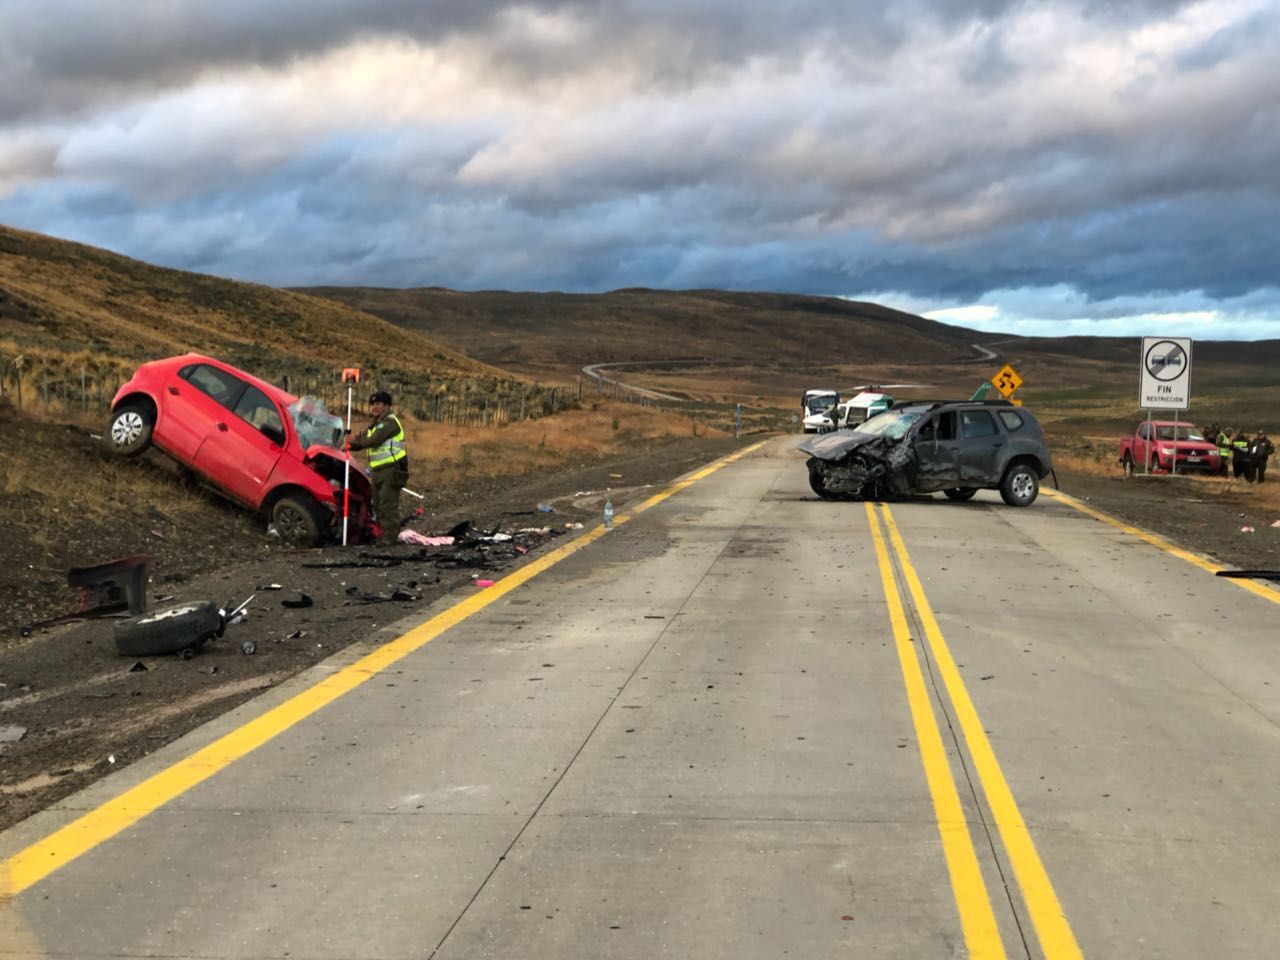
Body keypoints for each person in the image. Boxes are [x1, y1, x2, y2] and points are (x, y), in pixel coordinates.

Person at [346, 390, 409, 542]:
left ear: (387, 406)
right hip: (377, 471)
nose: (374, 407)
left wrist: (353, 445)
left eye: (378, 404)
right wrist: (349, 444)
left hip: (391, 470)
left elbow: (373, 440)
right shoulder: (375, 424)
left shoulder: (390, 423)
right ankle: (383, 536)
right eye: (373, 404)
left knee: (388, 507)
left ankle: (390, 539)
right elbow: (362, 437)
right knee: (378, 506)